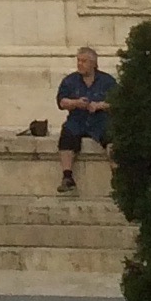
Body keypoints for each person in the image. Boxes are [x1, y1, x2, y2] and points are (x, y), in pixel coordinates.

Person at [55, 49, 114, 193]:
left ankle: (117, 177)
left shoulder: (107, 81)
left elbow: (117, 101)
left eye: (84, 61)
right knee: (67, 137)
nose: (80, 64)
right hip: (77, 120)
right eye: (78, 60)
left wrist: (99, 105)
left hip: (100, 120)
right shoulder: (70, 81)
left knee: (112, 139)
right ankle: (67, 177)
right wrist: (76, 103)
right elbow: (62, 102)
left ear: (93, 63)